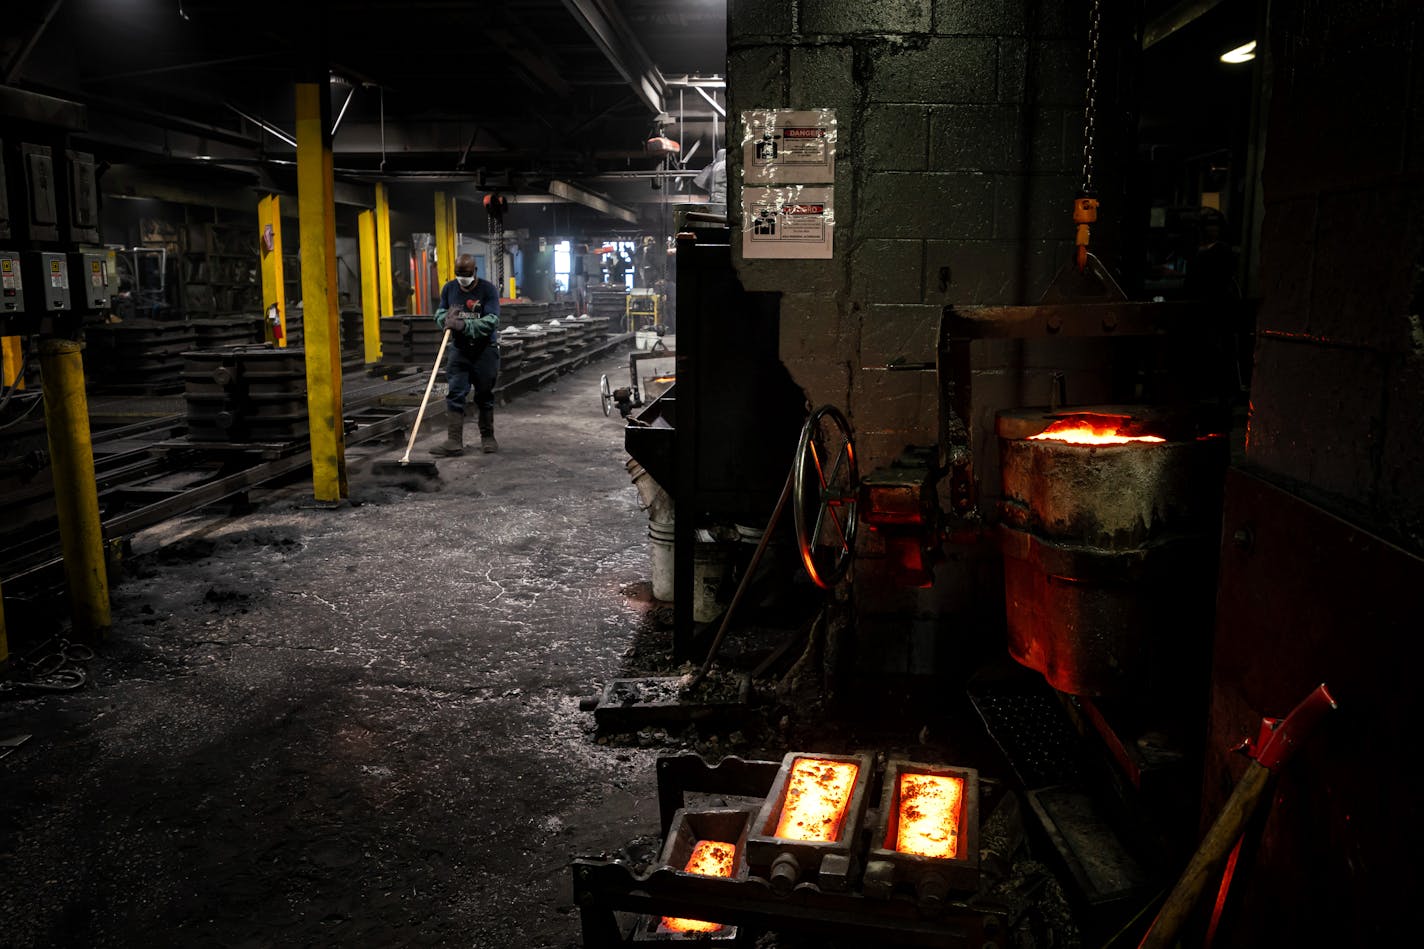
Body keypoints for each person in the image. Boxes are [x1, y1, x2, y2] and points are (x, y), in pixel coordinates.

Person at [431, 254, 500, 456]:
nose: (463, 278)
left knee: (484, 394)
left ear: (475, 271)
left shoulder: (488, 290)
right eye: (459, 274)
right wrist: (445, 319)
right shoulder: (449, 288)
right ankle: (454, 440)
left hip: (484, 351)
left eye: (467, 274)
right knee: (455, 393)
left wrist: (462, 324)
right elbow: (440, 313)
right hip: (459, 351)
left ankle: (488, 437)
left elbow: (492, 320)